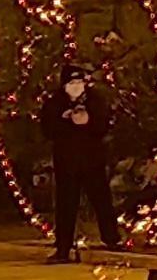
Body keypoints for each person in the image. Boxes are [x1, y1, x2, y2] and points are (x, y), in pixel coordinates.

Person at [38, 64, 120, 259]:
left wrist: (89, 120)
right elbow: (48, 130)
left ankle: (112, 239)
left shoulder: (95, 100)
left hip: (92, 160)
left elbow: (104, 124)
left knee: (101, 200)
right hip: (67, 163)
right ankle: (64, 247)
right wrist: (65, 121)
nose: (76, 86)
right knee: (66, 205)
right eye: (72, 83)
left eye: (79, 82)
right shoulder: (54, 103)